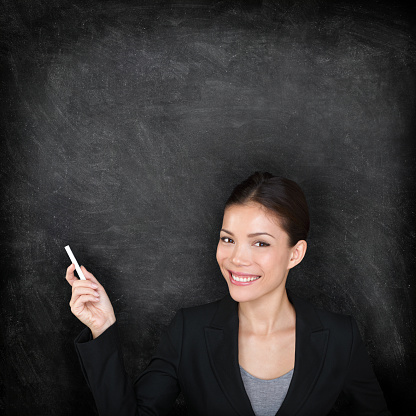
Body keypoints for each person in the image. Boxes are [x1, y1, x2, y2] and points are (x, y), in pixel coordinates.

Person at [66, 172, 391, 416]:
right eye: (228, 239)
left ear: (295, 253)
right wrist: (103, 327)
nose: (237, 258)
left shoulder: (339, 336)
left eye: (260, 243)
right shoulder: (188, 332)